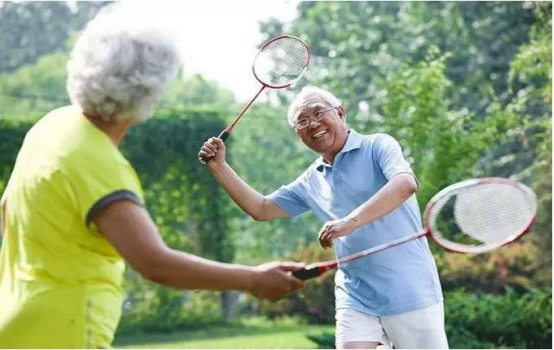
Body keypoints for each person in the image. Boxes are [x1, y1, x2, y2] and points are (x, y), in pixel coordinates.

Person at [0, 6, 304, 349]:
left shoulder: (52, 125)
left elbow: (7, 209)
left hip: (13, 326)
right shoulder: (103, 168)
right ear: (150, 91)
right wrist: (253, 279)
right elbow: (155, 264)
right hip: (65, 334)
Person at [198, 86, 449, 349]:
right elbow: (261, 208)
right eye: (302, 121)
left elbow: (405, 184)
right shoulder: (311, 179)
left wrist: (349, 222)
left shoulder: (378, 145)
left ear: (340, 113)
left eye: (318, 113)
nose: (313, 124)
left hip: (409, 289)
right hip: (356, 294)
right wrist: (220, 168)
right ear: (298, 134)